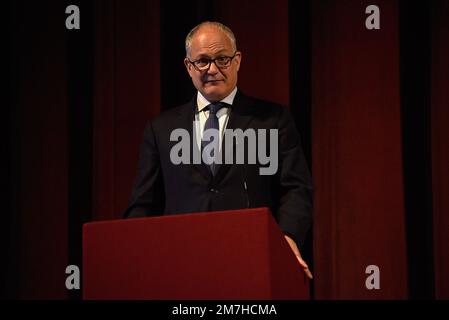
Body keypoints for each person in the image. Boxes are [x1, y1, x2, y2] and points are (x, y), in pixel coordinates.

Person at [124, 21, 313, 279]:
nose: (212, 69)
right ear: (188, 67)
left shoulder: (272, 120)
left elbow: (296, 189)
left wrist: (287, 237)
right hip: (180, 264)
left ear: (237, 61)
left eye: (222, 59)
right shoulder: (161, 129)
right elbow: (142, 205)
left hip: (251, 260)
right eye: (202, 61)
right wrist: (135, 255)